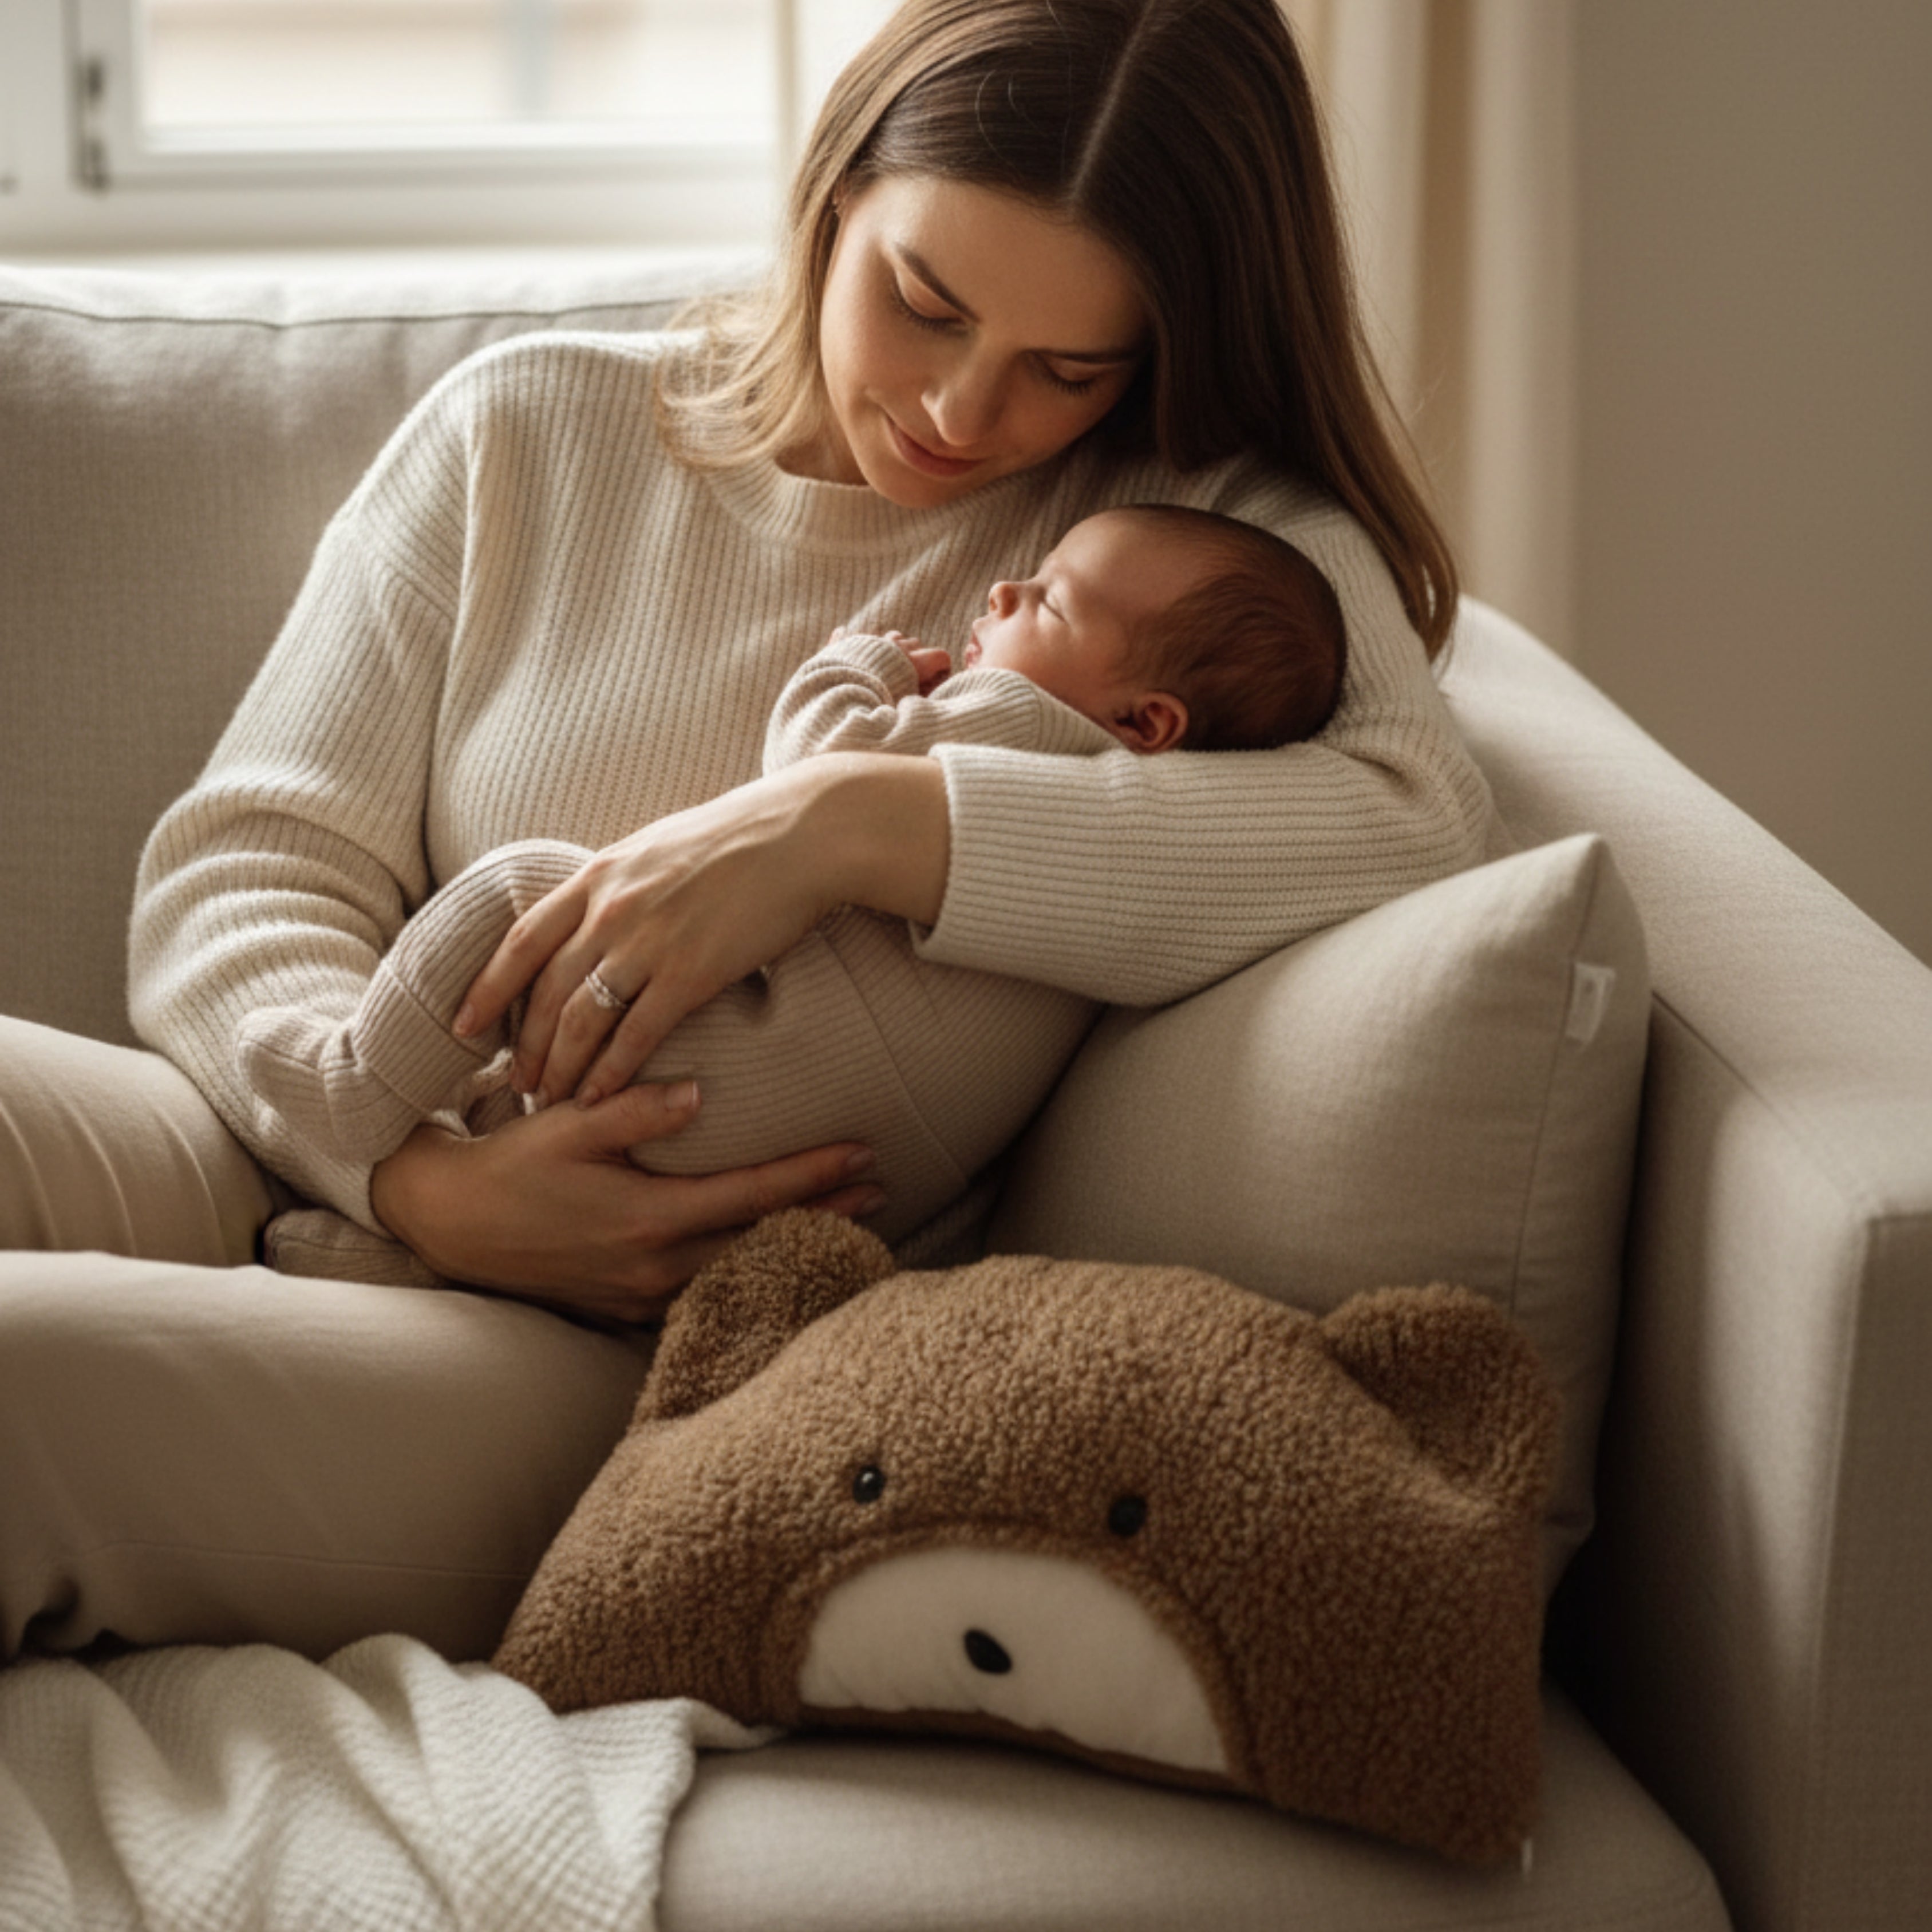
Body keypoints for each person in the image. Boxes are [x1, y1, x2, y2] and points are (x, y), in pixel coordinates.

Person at [0, 0, 1492, 1665]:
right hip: (312, 1143)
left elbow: (1411, 821)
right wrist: (412, 1178)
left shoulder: (1171, 540)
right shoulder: (530, 430)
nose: (958, 413)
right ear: (836, 191)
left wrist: (850, 823)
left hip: (651, 1354)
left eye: (1071, 369)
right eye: (922, 305)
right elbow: (246, 867)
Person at [235, 503, 1346, 1290]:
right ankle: (411, 1245)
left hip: (714, 1068)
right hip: (797, 1171)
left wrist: (853, 665)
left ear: (1146, 721)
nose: (1004, 589)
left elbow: (812, 763)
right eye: (924, 303)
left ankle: (352, 1086)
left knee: (534, 888)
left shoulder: (1023, 727)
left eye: (1047, 598)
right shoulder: (1132, 831)